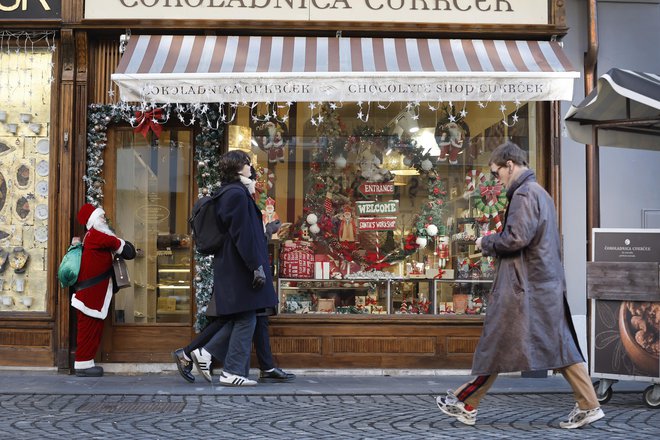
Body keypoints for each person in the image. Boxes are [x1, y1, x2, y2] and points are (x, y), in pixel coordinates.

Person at [435, 142, 604, 429]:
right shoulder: (539, 192)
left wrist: (484, 241)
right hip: (541, 284)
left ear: (509, 165)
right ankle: (589, 404)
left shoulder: (524, 194)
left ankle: (466, 403)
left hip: (524, 287)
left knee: (497, 342)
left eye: (496, 171)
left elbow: (515, 239)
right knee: (558, 345)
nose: (496, 179)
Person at [186, 150, 281, 387]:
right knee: (247, 316)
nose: (252, 168)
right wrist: (255, 267)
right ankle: (228, 369)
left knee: (245, 316)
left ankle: (209, 357)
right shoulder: (236, 195)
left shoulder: (234, 193)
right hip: (240, 266)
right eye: (248, 164)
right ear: (240, 168)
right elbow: (242, 234)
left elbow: (243, 231)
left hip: (236, 264)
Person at [71, 203, 135, 377]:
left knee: (93, 329)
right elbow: (121, 246)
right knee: (88, 330)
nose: (104, 219)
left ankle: (86, 362)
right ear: (93, 220)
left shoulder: (92, 236)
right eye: (101, 217)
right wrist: (123, 244)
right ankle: (83, 365)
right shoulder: (96, 235)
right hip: (90, 294)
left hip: (93, 293)